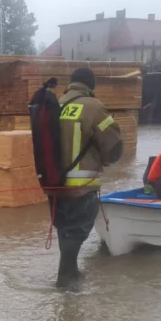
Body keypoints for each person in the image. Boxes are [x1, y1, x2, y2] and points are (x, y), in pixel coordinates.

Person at [54, 67, 124, 288]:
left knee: (64, 227)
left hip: (54, 183)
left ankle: (71, 271)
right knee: (77, 230)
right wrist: (107, 159)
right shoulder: (93, 107)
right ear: (91, 86)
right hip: (81, 183)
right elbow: (113, 144)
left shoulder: (56, 105)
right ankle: (66, 279)